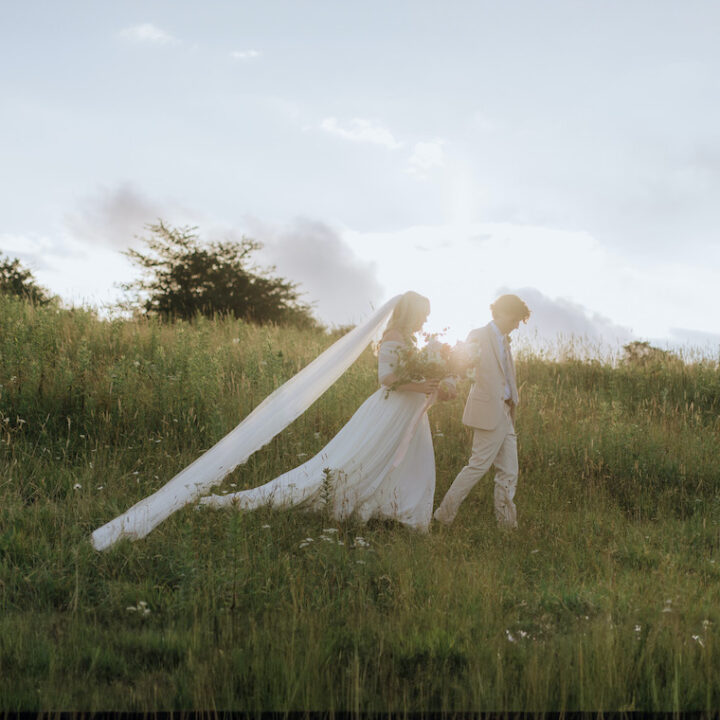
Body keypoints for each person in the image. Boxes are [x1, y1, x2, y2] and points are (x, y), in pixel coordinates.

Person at [199, 291, 443, 531]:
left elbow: (409, 372)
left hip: (410, 412)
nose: (425, 320)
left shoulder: (411, 339)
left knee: (406, 462)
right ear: (412, 312)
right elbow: (386, 378)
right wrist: (420, 385)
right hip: (392, 411)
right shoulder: (394, 337)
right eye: (423, 315)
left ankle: (395, 509)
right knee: (367, 459)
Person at [433, 294, 530, 529]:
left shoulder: (505, 341)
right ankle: (443, 517)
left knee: (509, 472)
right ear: (502, 313)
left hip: (506, 413)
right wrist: (450, 383)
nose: (517, 325)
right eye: (516, 319)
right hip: (488, 411)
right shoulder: (478, 335)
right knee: (477, 466)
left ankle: (507, 525)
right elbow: (459, 363)